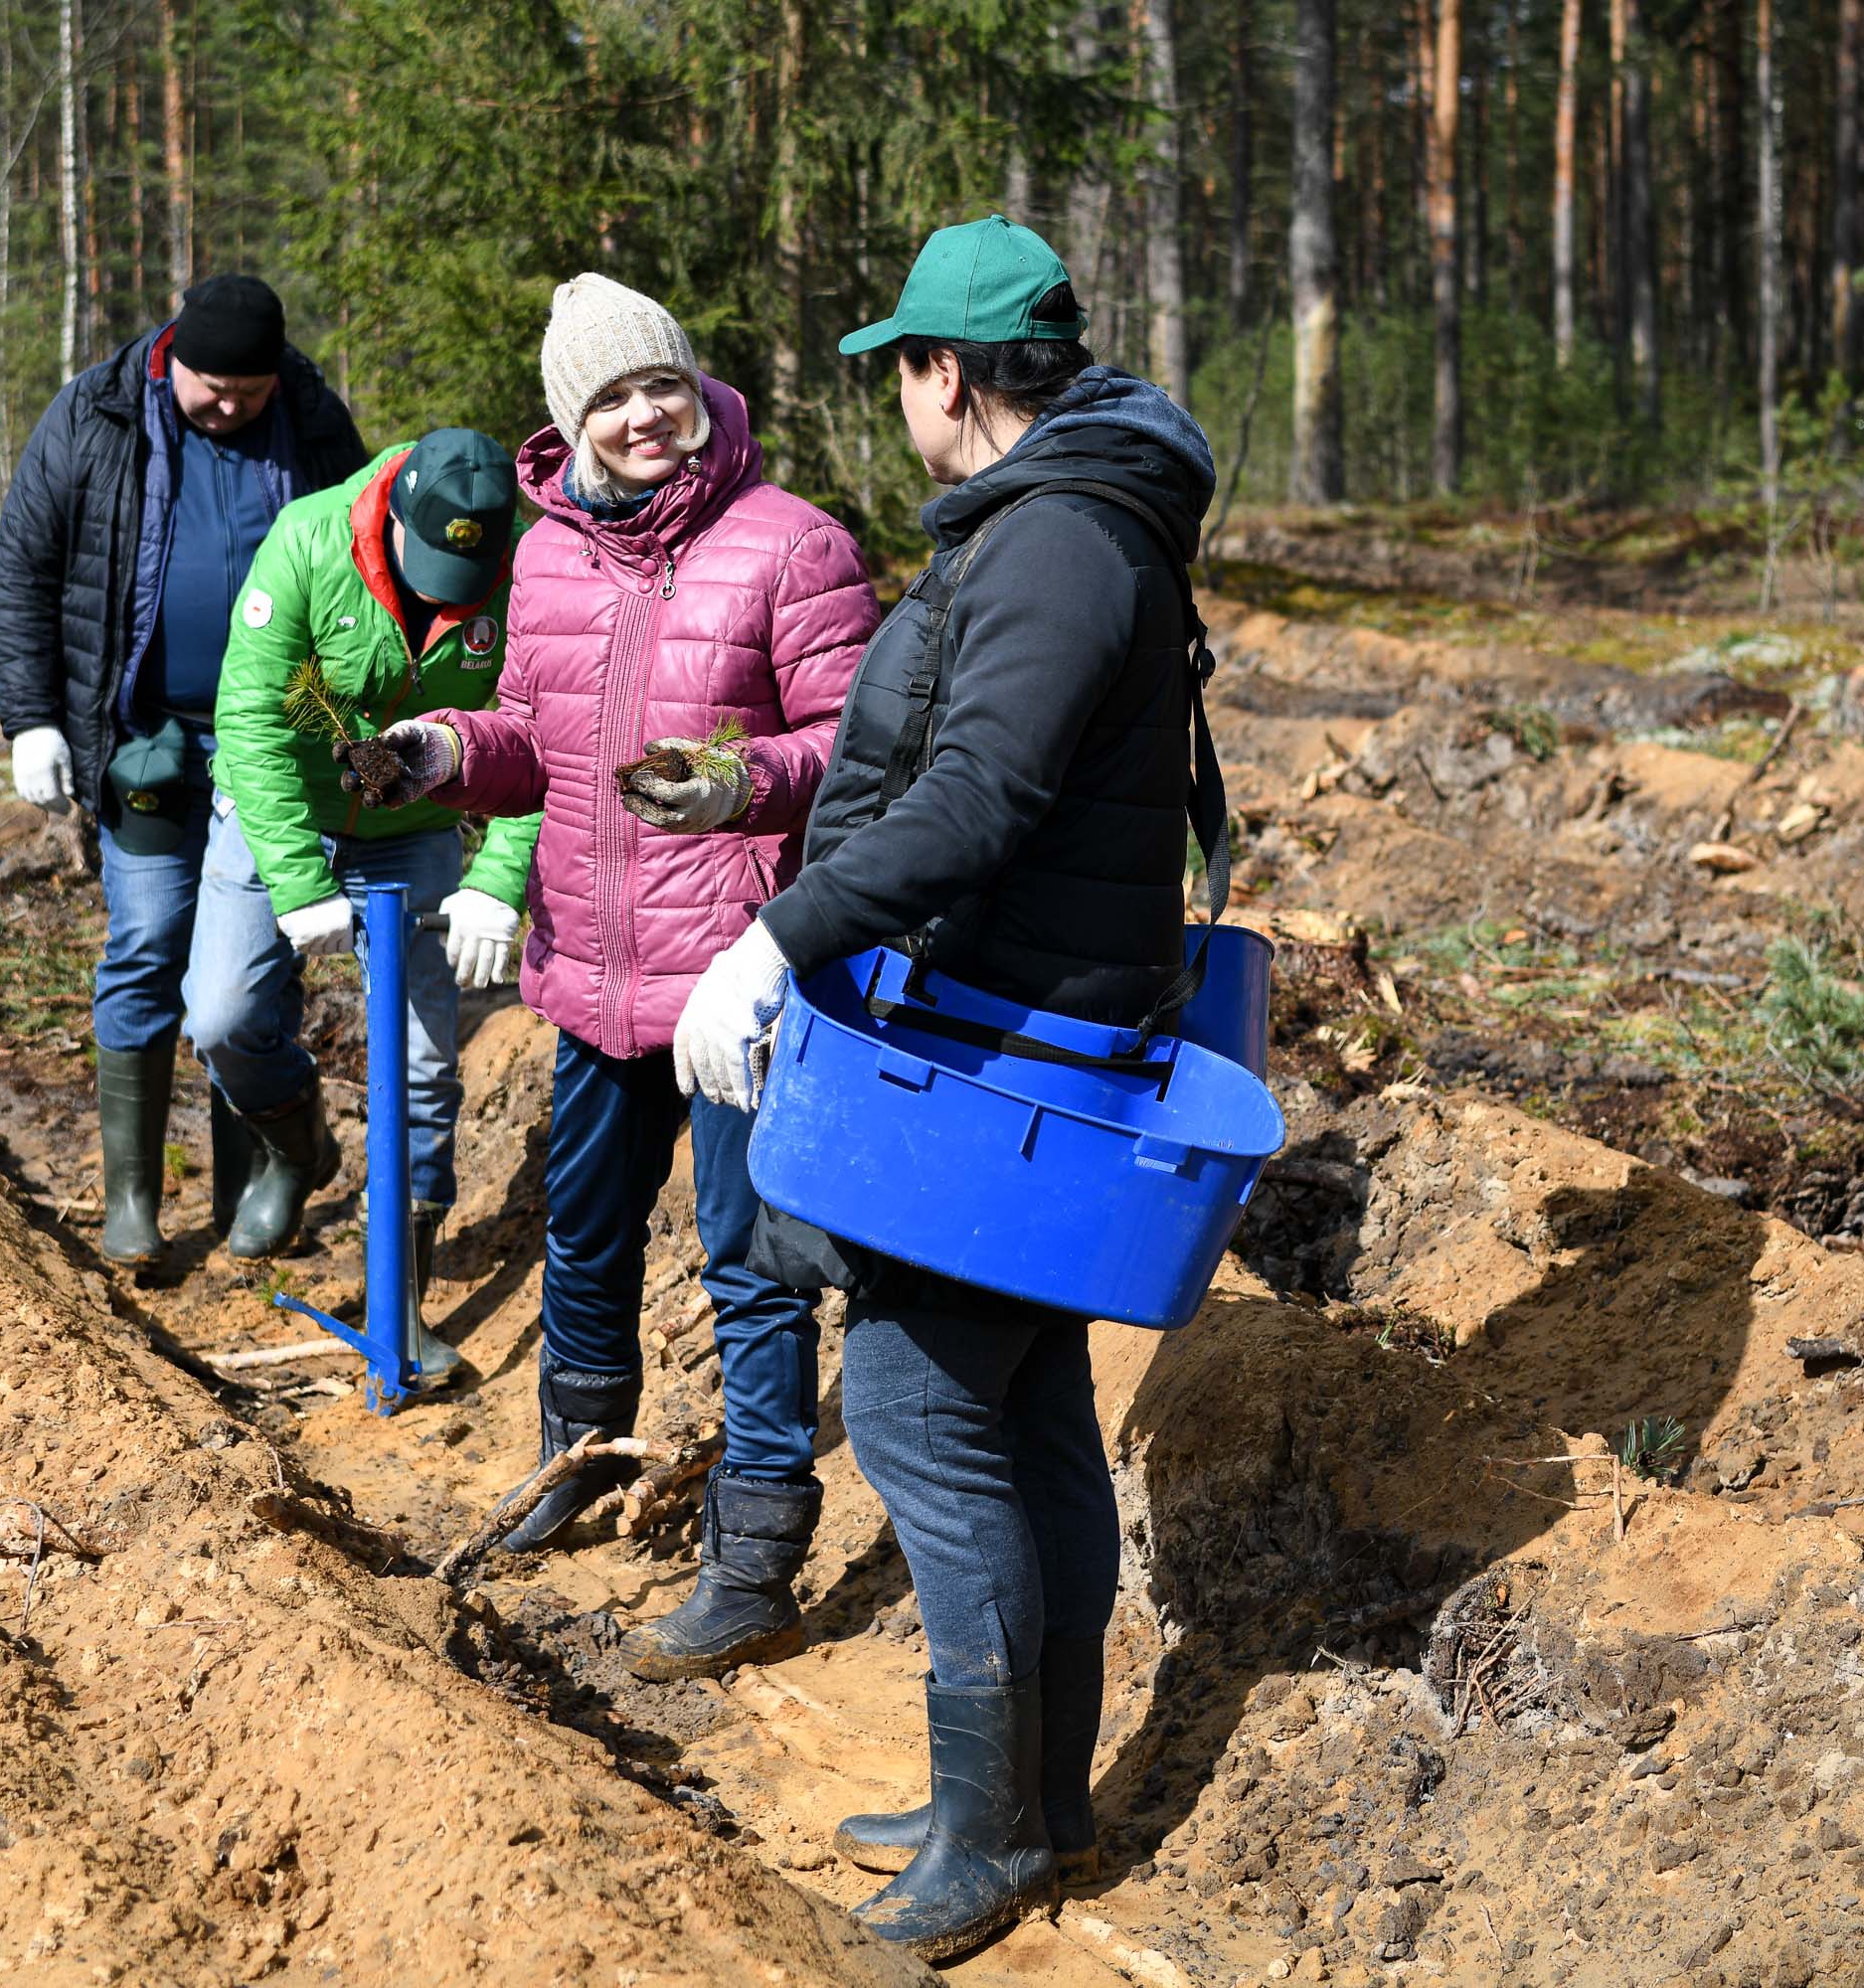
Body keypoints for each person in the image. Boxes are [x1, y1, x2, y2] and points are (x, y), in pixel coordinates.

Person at [671, 216, 1217, 1960]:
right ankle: (1027, 1801)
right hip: (1017, 1030)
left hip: (1004, 1050)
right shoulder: (1063, 516)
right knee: (1030, 1410)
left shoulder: (1058, 542)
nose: (895, 401)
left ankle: (993, 1836)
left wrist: (776, 941)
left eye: (901, 369)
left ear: (951, 375)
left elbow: (978, 797)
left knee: (915, 1412)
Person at [376, 276, 875, 1674]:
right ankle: (577, 1461)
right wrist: (445, 752)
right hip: (591, 968)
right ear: (569, 421)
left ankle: (756, 1556)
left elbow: (860, 748)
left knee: (753, 1265)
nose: (644, 414)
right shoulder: (547, 558)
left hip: (734, 982)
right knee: (585, 1232)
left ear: (694, 385)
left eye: (659, 383)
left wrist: (736, 781)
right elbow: (530, 737)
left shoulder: (793, 543)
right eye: (610, 397)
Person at [0, 275, 370, 1267]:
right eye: (213, 387)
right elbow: (24, 566)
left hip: (273, 746)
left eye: (249, 389)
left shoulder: (313, 422)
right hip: (145, 739)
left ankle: (258, 1178)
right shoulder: (99, 414)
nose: (230, 405)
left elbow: (368, 564)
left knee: (247, 973)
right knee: (149, 940)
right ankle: (131, 1198)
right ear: (174, 359)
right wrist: (32, 720)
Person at [208, 426, 543, 1376]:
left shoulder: (528, 573)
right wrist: (298, 879)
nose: (445, 596)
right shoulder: (308, 541)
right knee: (225, 1015)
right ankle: (297, 1144)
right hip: (282, 810)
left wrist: (496, 879)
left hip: (413, 830)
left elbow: (543, 732)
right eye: (430, 568)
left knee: (426, 1065)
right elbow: (253, 718)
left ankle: (402, 1304)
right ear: (392, 514)